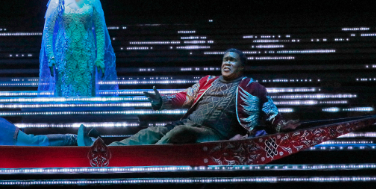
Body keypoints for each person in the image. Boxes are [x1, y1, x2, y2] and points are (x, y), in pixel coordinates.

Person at [107, 48, 300, 146]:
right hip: (188, 122)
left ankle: (144, 156)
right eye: (225, 59)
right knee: (149, 133)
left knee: (179, 133)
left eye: (232, 60)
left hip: (214, 134)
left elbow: (270, 112)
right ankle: (110, 149)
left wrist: (283, 126)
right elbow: (185, 97)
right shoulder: (208, 81)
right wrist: (163, 101)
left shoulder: (253, 88)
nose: (226, 63)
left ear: (241, 67)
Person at [38, 0, 118, 97]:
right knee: (64, 91)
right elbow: (48, 29)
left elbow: (99, 29)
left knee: (86, 91)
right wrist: (51, 56)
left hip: (86, 53)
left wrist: (100, 58)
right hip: (63, 53)